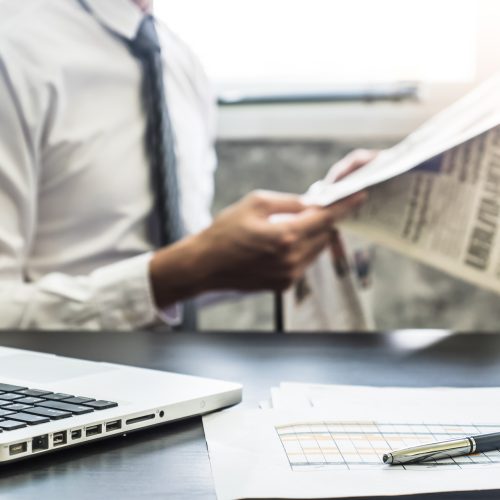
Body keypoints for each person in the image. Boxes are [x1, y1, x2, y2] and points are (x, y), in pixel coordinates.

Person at [0, 0, 368, 330]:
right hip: (52, 387)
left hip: (177, 383)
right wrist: (179, 273)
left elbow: (187, 266)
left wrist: (316, 211)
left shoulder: (181, 63)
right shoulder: (13, 50)